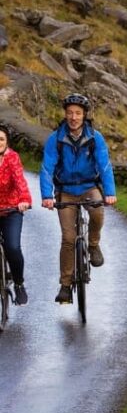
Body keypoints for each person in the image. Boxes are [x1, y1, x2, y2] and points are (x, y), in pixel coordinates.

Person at [40, 93, 117, 304]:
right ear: (65, 115)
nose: (73, 117)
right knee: (67, 239)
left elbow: (105, 166)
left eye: (78, 113)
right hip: (65, 190)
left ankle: (93, 244)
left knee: (97, 212)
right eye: (70, 113)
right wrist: (47, 196)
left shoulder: (95, 138)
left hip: (89, 186)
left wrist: (109, 193)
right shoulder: (55, 139)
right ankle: (65, 285)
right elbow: (47, 168)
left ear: (84, 116)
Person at [0, 124, 32, 305]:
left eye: (1, 139)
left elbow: (20, 181)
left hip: (12, 209)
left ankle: (19, 284)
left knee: (12, 246)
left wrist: (24, 200)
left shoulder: (12, 158)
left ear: (7, 142)